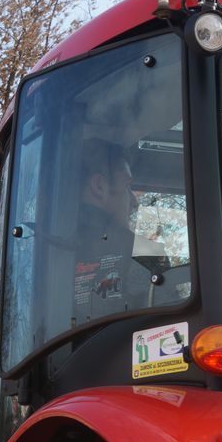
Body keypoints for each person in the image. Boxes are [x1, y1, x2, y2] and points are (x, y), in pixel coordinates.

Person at [72, 139, 167, 325]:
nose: (134, 201)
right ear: (99, 186)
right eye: (126, 186)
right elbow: (171, 337)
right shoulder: (145, 254)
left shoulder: (41, 257)